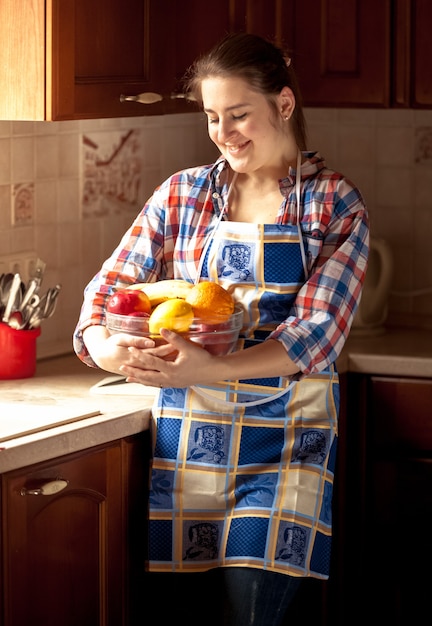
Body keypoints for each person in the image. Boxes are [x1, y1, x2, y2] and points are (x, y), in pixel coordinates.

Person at [73, 32, 369, 626]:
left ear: (283, 105)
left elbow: (316, 334)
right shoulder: (181, 195)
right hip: (189, 449)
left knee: (251, 613)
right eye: (212, 117)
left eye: (239, 115)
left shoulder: (333, 206)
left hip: (286, 445)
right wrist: (109, 350)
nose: (224, 132)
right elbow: (105, 295)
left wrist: (216, 367)